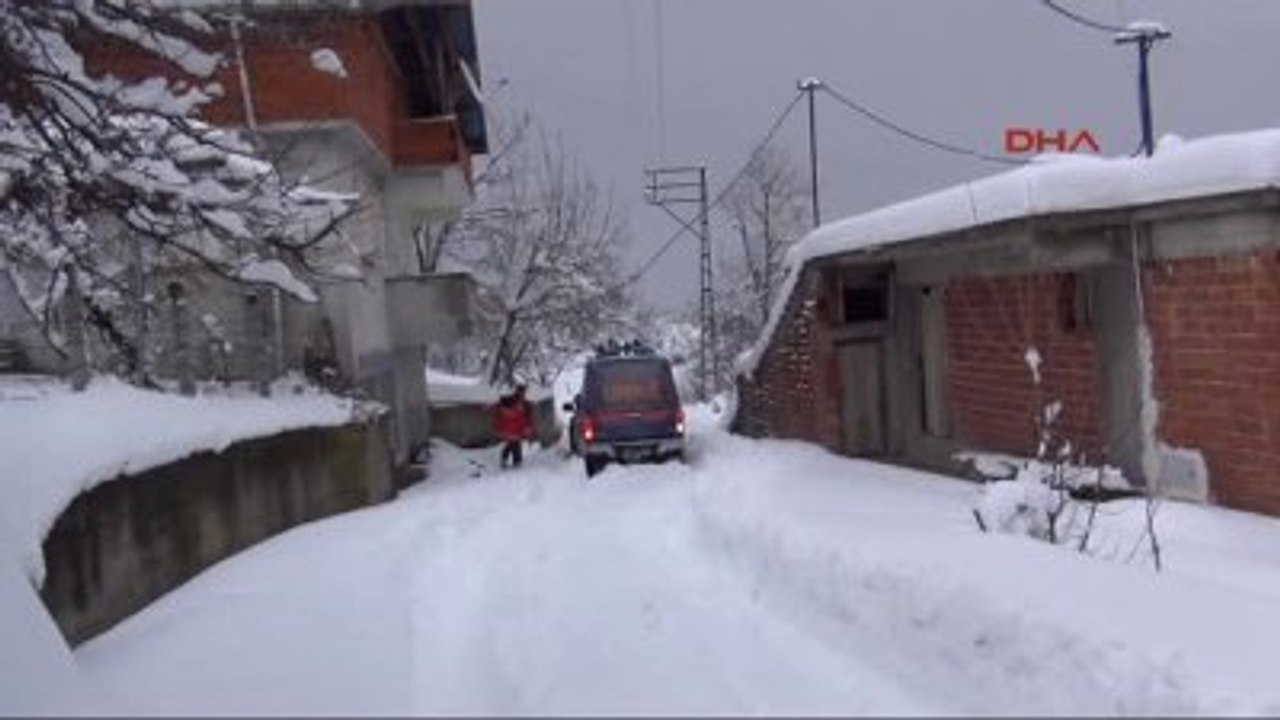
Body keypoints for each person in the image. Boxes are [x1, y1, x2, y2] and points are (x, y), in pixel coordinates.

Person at [494, 384, 534, 468]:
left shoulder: (508, 401)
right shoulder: (521, 403)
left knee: (512, 444)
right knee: (514, 444)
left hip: (509, 428)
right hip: (514, 427)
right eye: (523, 392)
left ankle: (508, 460)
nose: (524, 394)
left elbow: (501, 414)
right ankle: (516, 461)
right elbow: (523, 417)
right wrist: (527, 427)